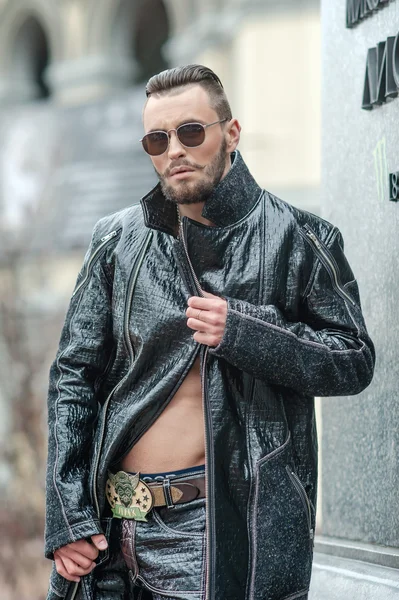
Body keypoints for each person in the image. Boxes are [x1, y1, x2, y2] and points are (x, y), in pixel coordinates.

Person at [44, 65, 375, 600]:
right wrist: (67, 515)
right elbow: (73, 379)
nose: (174, 150)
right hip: (110, 532)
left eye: (191, 132)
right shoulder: (116, 240)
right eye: (158, 139)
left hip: (216, 530)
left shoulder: (300, 238)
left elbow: (354, 359)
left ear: (232, 132)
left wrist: (245, 330)